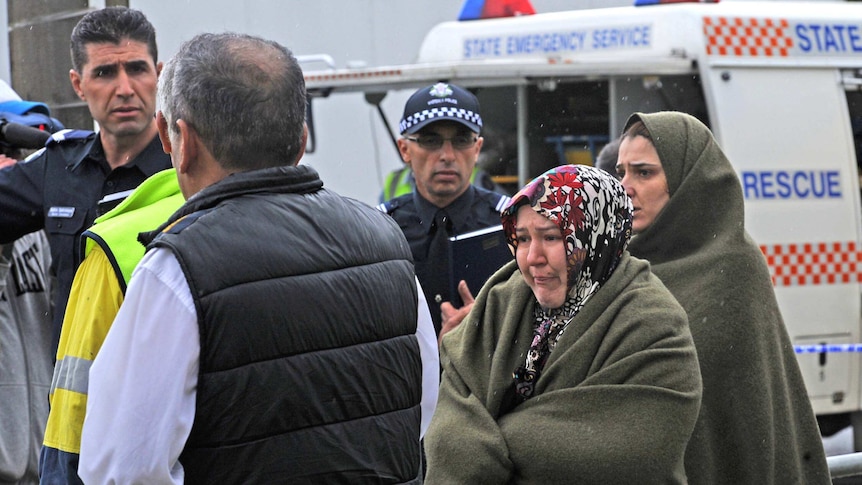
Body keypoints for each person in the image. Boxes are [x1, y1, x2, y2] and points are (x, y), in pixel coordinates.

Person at [79, 32, 438, 483]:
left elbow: (120, 467)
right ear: (301, 138)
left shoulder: (178, 268)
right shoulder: (385, 241)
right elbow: (420, 412)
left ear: (181, 141)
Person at [424, 164, 703, 483]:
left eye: (552, 237)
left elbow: (631, 453)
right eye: (524, 238)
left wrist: (486, 445)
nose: (532, 258)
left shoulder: (653, 322)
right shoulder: (501, 301)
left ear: (597, 237)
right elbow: (447, 428)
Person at [616, 111, 831, 484]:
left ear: (687, 181)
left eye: (644, 172)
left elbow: (742, 409)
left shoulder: (735, 265)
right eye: (622, 172)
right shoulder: (622, 267)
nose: (625, 186)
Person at [0, 6, 171, 355]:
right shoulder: (58, 165)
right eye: (105, 73)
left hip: (164, 392)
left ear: (158, 74)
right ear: (78, 84)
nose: (124, 88)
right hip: (76, 398)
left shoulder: (190, 167)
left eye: (137, 69)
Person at [40, 168, 184, 484]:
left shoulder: (118, 244)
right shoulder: (317, 228)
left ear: (175, 137)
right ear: (299, 144)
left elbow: (73, 424)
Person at [380, 82, 511, 336]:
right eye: (431, 141)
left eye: (461, 140)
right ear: (404, 149)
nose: (447, 155)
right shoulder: (381, 229)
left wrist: (486, 326)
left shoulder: (508, 224)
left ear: (477, 148)